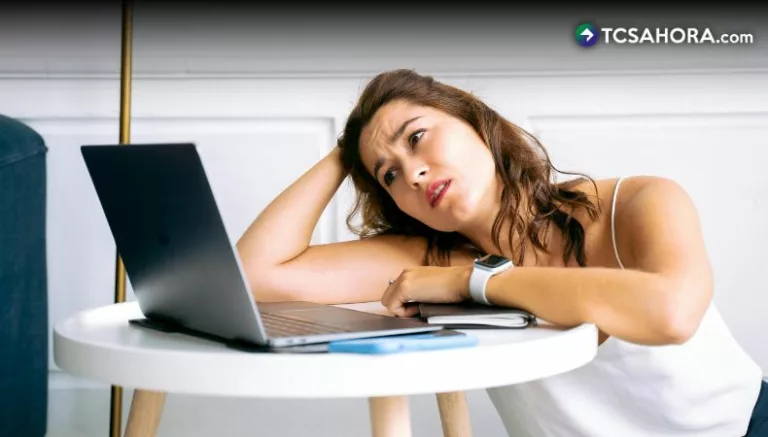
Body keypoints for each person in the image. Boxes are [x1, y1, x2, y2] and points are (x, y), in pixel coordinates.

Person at [236, 69, 766, 436]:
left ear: (473, 120)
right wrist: (351, 146)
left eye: (416, 137)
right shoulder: (426, 258)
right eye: (389, 174)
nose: (413, 172)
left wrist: (473, 282)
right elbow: (255, 273)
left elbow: (671, 314)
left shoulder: (635, 202)